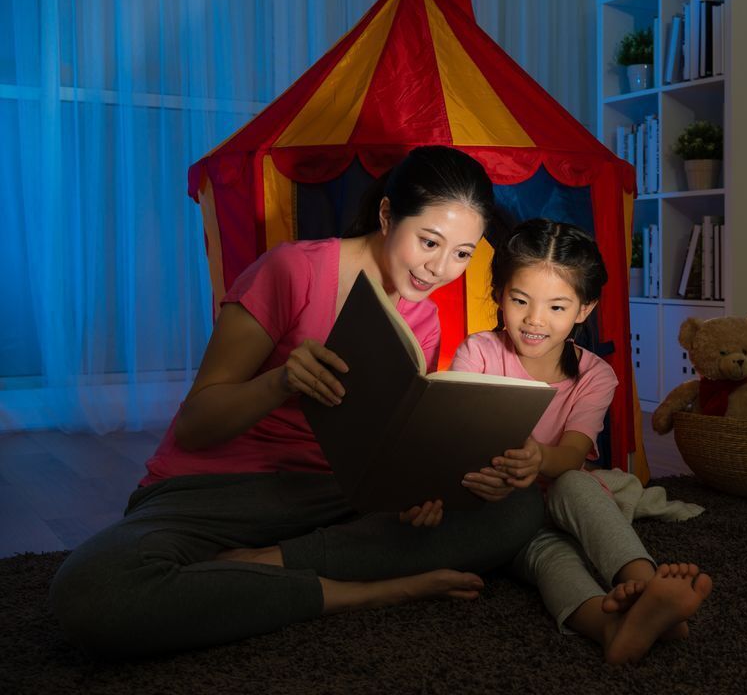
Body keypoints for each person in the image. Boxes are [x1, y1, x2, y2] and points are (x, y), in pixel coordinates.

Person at [49, 146, 544, 658]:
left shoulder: (422, 320)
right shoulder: (290, 271)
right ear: (387, 214)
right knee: (93, 592)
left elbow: (388, 440)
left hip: (335, 497)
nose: (440, 268)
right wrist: (281, 382)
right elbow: (195, 425)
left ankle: (264, 565)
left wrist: (426, 487)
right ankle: (358, 592)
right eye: (429, 242)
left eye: (463, 254)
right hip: (219, 492)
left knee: (519, 509)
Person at [452, 218, 712, 664]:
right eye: (520, 301)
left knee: (577, 483)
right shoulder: (476, 354)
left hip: (564, 498)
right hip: (503, 513)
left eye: (556, 307)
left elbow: (572, 457)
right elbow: (453, 442)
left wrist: (538, 458)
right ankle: (608, 624)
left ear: (584, 310)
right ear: (498, 294)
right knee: (550, 557)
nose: (534, 320)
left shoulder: (595, 375)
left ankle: (644, 584)